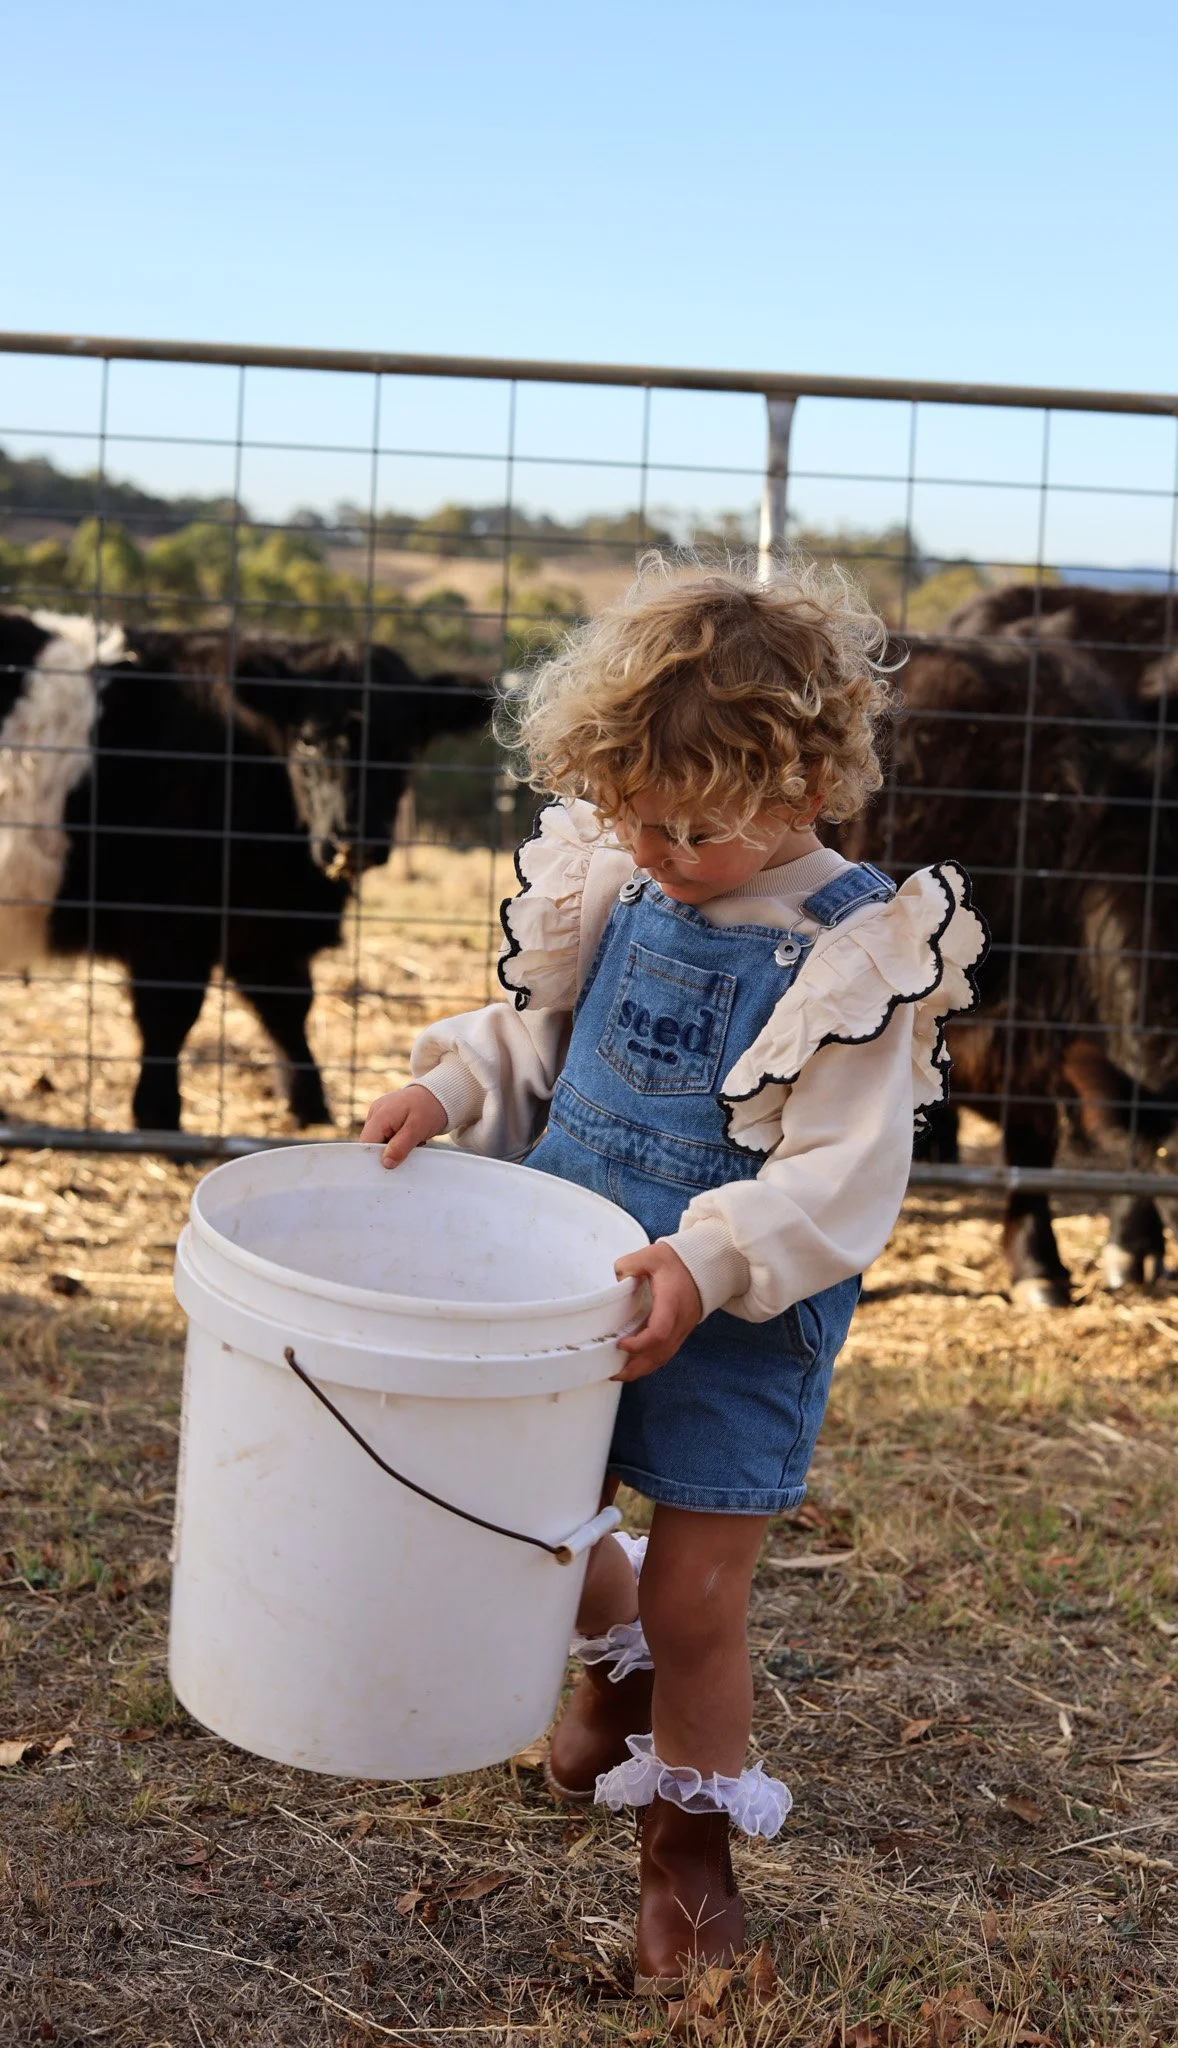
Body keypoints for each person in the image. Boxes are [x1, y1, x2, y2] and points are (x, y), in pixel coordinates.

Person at [360, 558, 986, 1991]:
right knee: (543, 1520)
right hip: (573, 1279)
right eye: (635, 817)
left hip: (736, 1314)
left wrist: (707, 1264)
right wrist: (452, 1090)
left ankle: (687, 1850)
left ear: (806, 788)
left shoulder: (855, 957)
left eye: (693, 828)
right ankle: (613, 1667)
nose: (656, 851)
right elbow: (544, 1038)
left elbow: (840, 1181)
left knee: (698, 1597)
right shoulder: (622, 879)